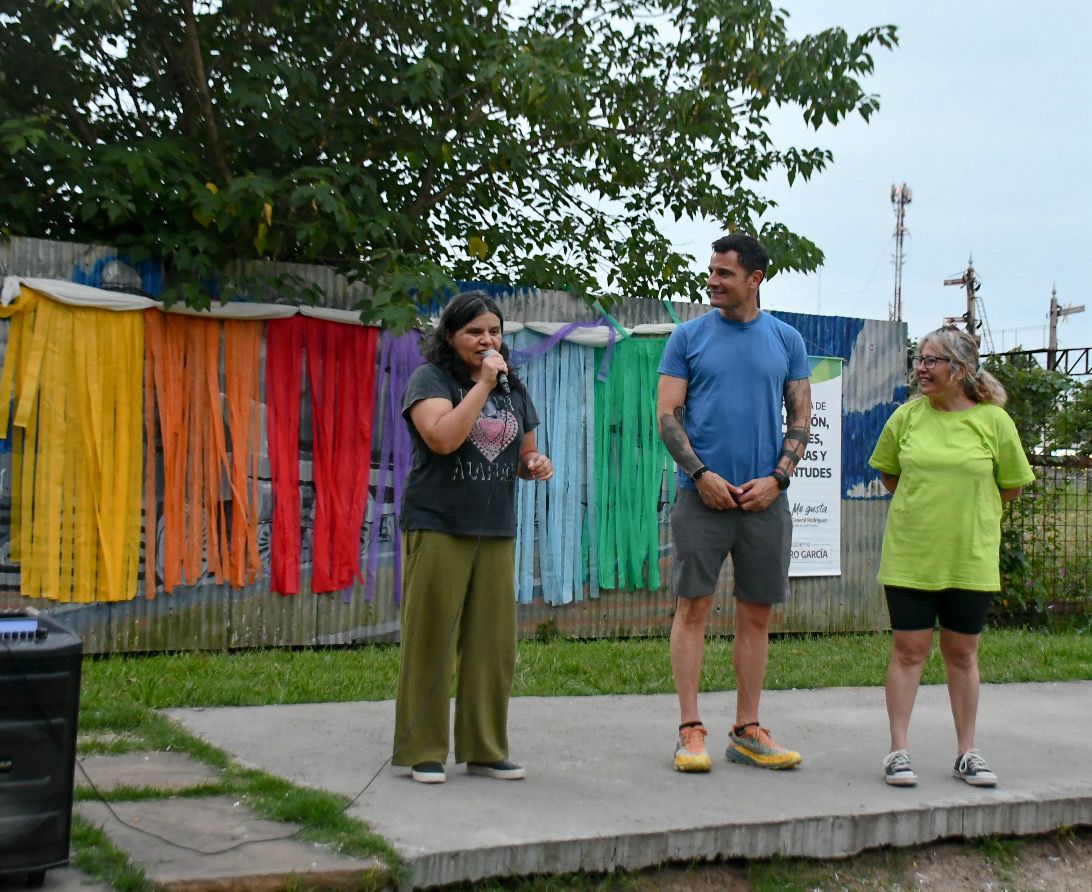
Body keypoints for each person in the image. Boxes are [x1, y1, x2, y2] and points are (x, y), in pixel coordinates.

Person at [657, 233, 812, 773]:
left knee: (757, 614)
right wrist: (700, 475)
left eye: (724, 273)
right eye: (712, 271)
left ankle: (747, 731)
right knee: (693, 608)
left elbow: (800, 418)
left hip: (765, 501)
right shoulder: (687, 337)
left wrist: (778, 480)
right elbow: (668, 417)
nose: (713, 281)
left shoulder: (787, 340)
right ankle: (690, 730)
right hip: (701, 498)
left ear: (755, 278)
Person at [393, 290, 553, 784]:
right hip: (438, 523)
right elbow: (442, 438)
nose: (487, 340)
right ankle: (423, 750)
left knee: (492, 645)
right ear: (450, 335)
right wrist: (483, 384)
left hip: (495, 527)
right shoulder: (431, 379)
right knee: (431, 638)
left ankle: (484, 749)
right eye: (474, 332)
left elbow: (523, 454)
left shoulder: (513, 387)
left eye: (494, 332)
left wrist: (535, 463)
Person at [869, 327, 1033, 788]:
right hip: (911, 556)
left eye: (931, 361)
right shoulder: (905, 417)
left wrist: (968, 513)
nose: (920, 368)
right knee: (909, 651)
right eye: (919, 359)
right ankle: (898, 752)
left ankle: (967, 754)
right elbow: (889, 475)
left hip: (969, 558)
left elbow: (1011, 486)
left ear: (959, 370)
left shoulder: (994, 422)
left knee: (963, 654)